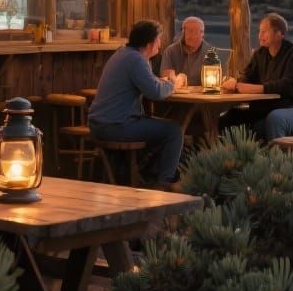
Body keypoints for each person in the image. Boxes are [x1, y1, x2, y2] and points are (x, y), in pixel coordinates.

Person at [88, 19, 185, 188]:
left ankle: (146, 176)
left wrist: (162, 82)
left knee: (159, 129)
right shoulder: (136, 60)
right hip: (115, 125)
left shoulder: (124, 53)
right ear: (149, 43)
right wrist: (174, 84)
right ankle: (165, 183)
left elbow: (150, 83)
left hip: (101, 123)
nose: (160, 44)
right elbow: (155, 92)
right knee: (173, 130)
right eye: (159, 40)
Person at [219, 12, 293, 142]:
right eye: (259, 31)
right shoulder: (260, 54)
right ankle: (229, 159)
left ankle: (278, 161)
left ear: (280, 34)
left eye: (265, 31)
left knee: (275, 119)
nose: (260, 35)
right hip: (269, 109)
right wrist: (237, 83)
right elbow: (247, 77)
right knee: (229, 119)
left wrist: (257, 89)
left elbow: (292, 86)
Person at [159, 16, 212, 85]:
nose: (192, 36)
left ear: (202, 34)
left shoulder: (211, 52)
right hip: (176, 93)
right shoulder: (170, 51)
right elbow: (165, 78)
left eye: (196, 32)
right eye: (189, 31)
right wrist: (176, 80)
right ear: (183, 33)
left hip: (202, 94)